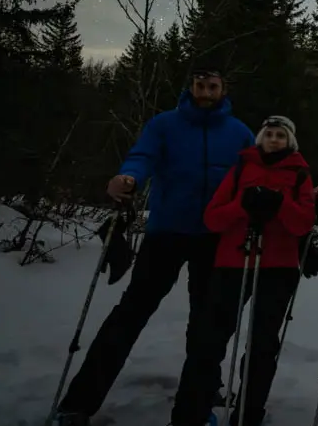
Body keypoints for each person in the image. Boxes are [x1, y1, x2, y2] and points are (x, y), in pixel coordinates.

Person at [54, 68, 255, 426]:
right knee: (131, 312)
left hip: (216, 238)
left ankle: (202, 397)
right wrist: (127, 177)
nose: (205, 92)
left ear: (223, 89)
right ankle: (78, 402)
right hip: (167, 232)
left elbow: (257, 173)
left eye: (212, 86)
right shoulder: (165, 125)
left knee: (208, 322)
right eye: (199, 85)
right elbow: (142, 156)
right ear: (189, 87)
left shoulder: (239, 133)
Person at [170, 116, 317, 426]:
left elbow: (303, 223)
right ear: (260, 138)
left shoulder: (300, 173)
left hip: (278, 267)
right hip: (233, 264)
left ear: (290, 142)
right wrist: (243, 205)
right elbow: (213, 219)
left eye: (281, 135)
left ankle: (250, 413)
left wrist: (279, 204)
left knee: (263, 344)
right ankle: (191, 413)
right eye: (270, 134)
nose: (274, 140)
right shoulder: (240, 169)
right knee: (211, 339)